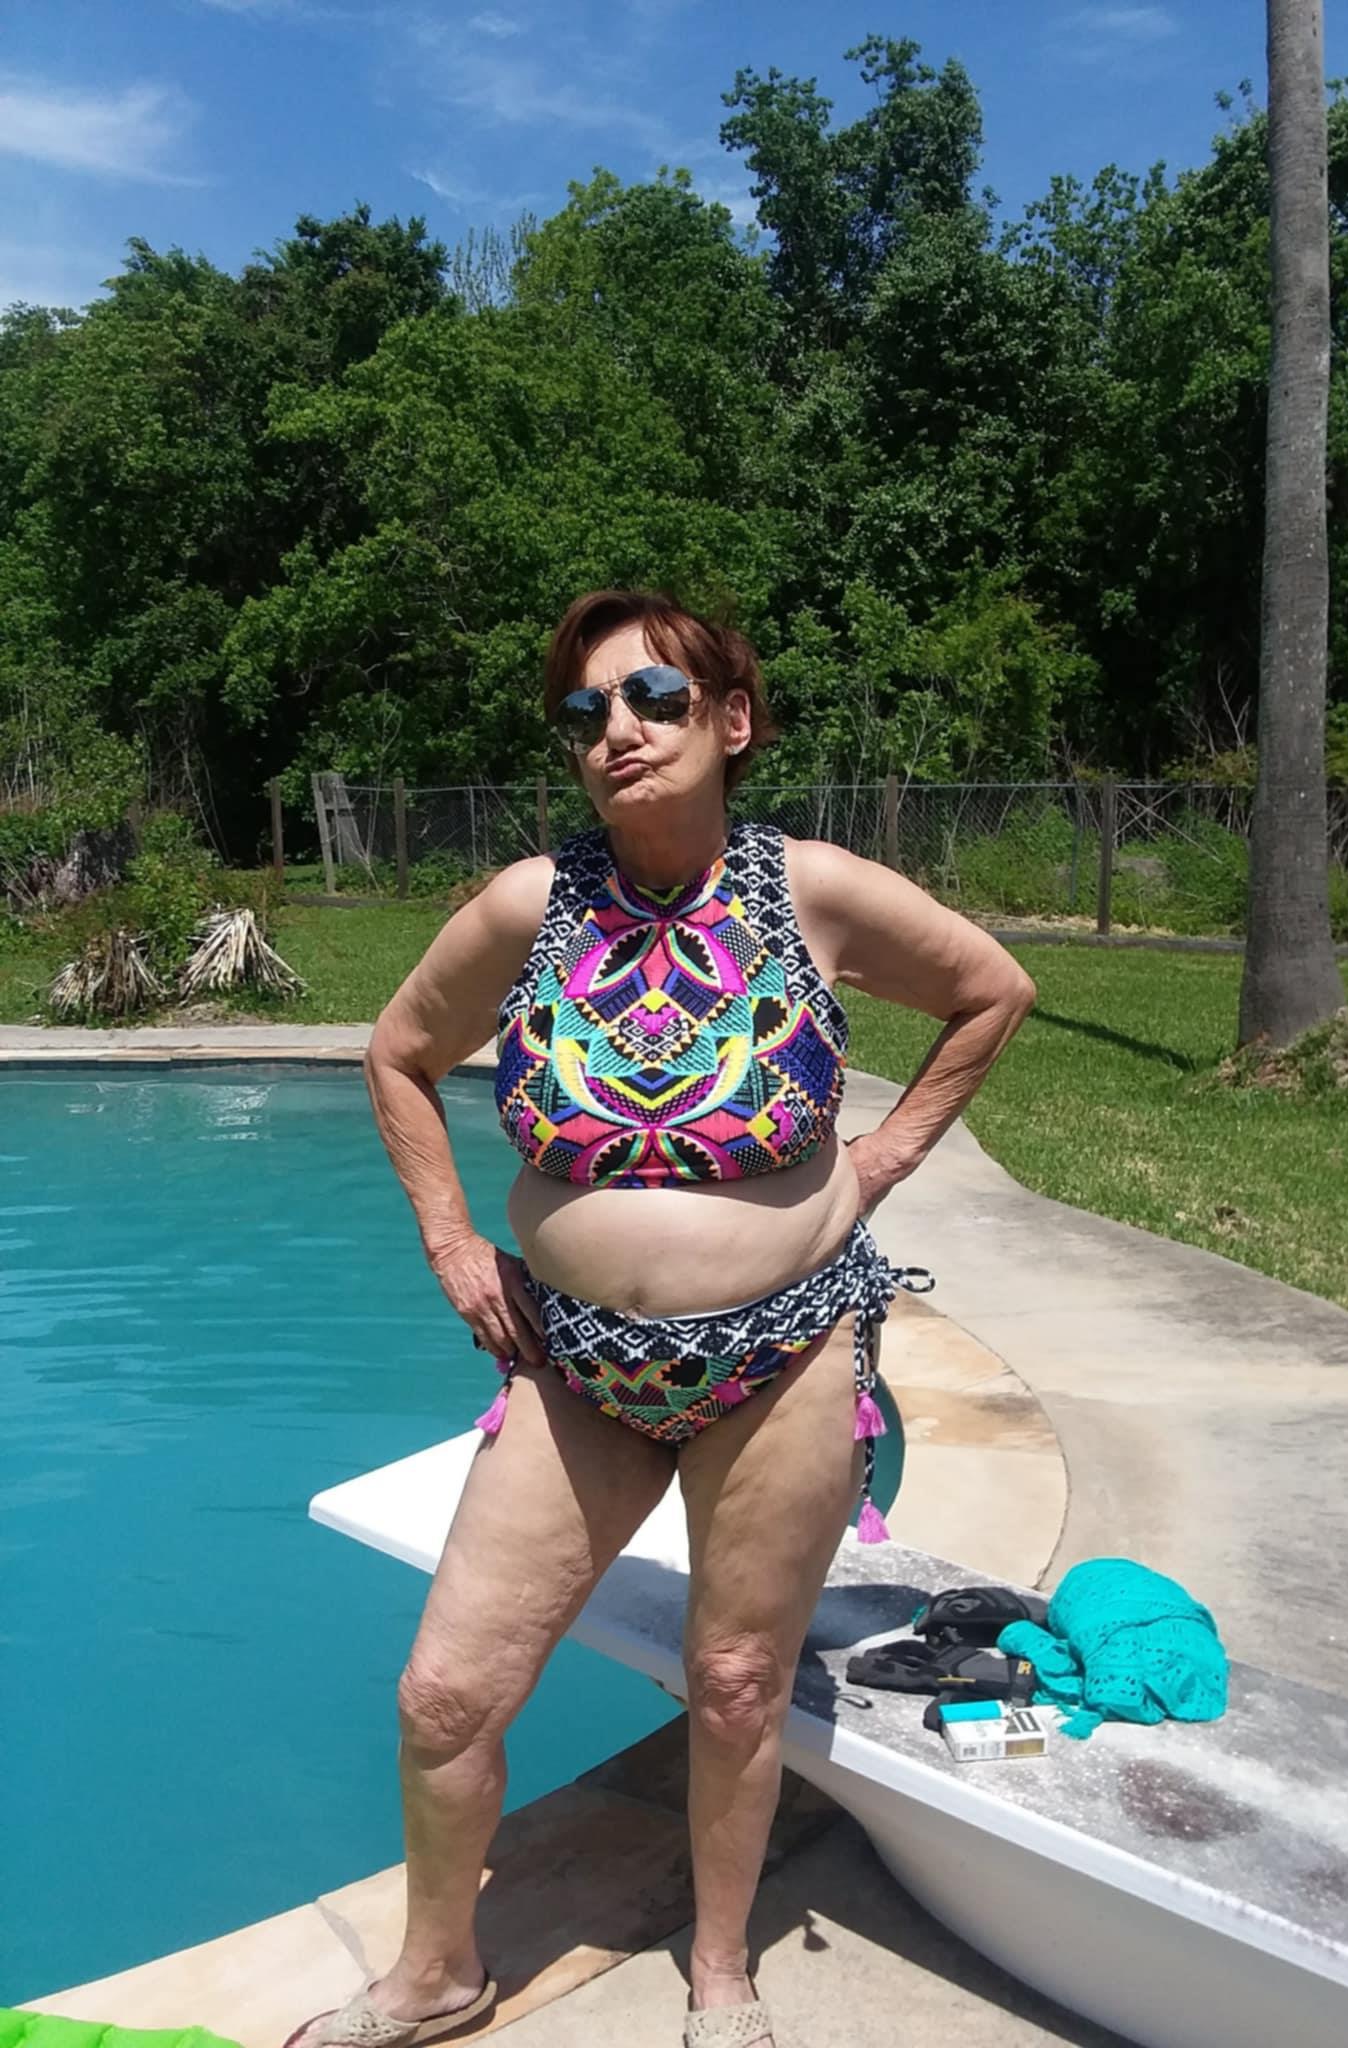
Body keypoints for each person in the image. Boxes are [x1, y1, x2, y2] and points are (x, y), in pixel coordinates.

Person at [284, 589, 1035, 2048]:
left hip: (785, 1356)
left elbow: (991, 991)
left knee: (739, 1681)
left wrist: (875, 1164)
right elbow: (396, 1051)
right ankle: (438, 1976)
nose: (616, 732)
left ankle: (723, 1976)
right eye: (584, 715)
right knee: (446, 1694)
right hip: (575, 1369)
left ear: (732, 722)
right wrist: (451, 1240)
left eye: (653, 701)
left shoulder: (810, 890)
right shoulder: (529, 907)